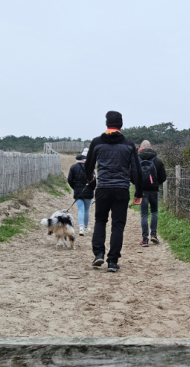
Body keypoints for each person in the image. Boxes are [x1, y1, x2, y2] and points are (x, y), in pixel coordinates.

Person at [84, 111, 144, 272]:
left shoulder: (96, 142)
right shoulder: (129, 144)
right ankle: (112, 261)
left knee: (100, 221)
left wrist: (91, 179)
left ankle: (98, 254)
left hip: (103, 188)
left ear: (106, 123)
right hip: (121, 189)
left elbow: (88, 166)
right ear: (121, 124)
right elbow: (137, 170)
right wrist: (138, 192)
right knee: (118, 225)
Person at [137, 140, 166, 246]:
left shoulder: (136, 160)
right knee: (154, 212)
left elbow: (131, 175)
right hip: (154, 190)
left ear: (141, 148)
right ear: (151, 147)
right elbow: (163, 177)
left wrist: (138, 185)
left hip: (142, 191)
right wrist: (156, 184)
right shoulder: (158, 160)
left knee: (144, 214)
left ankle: (144, 239)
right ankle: (153, 235)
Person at [66, 153, 96, 235]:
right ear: (83, 160)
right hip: (88, 191)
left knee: (80, 210)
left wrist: (75, 187)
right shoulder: (89, 167)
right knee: (86, 210)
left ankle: (81, 228)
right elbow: (93, 180)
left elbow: (69, 179)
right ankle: (86, 227)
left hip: (78, 192)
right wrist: (92, 188)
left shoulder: (73, 167)